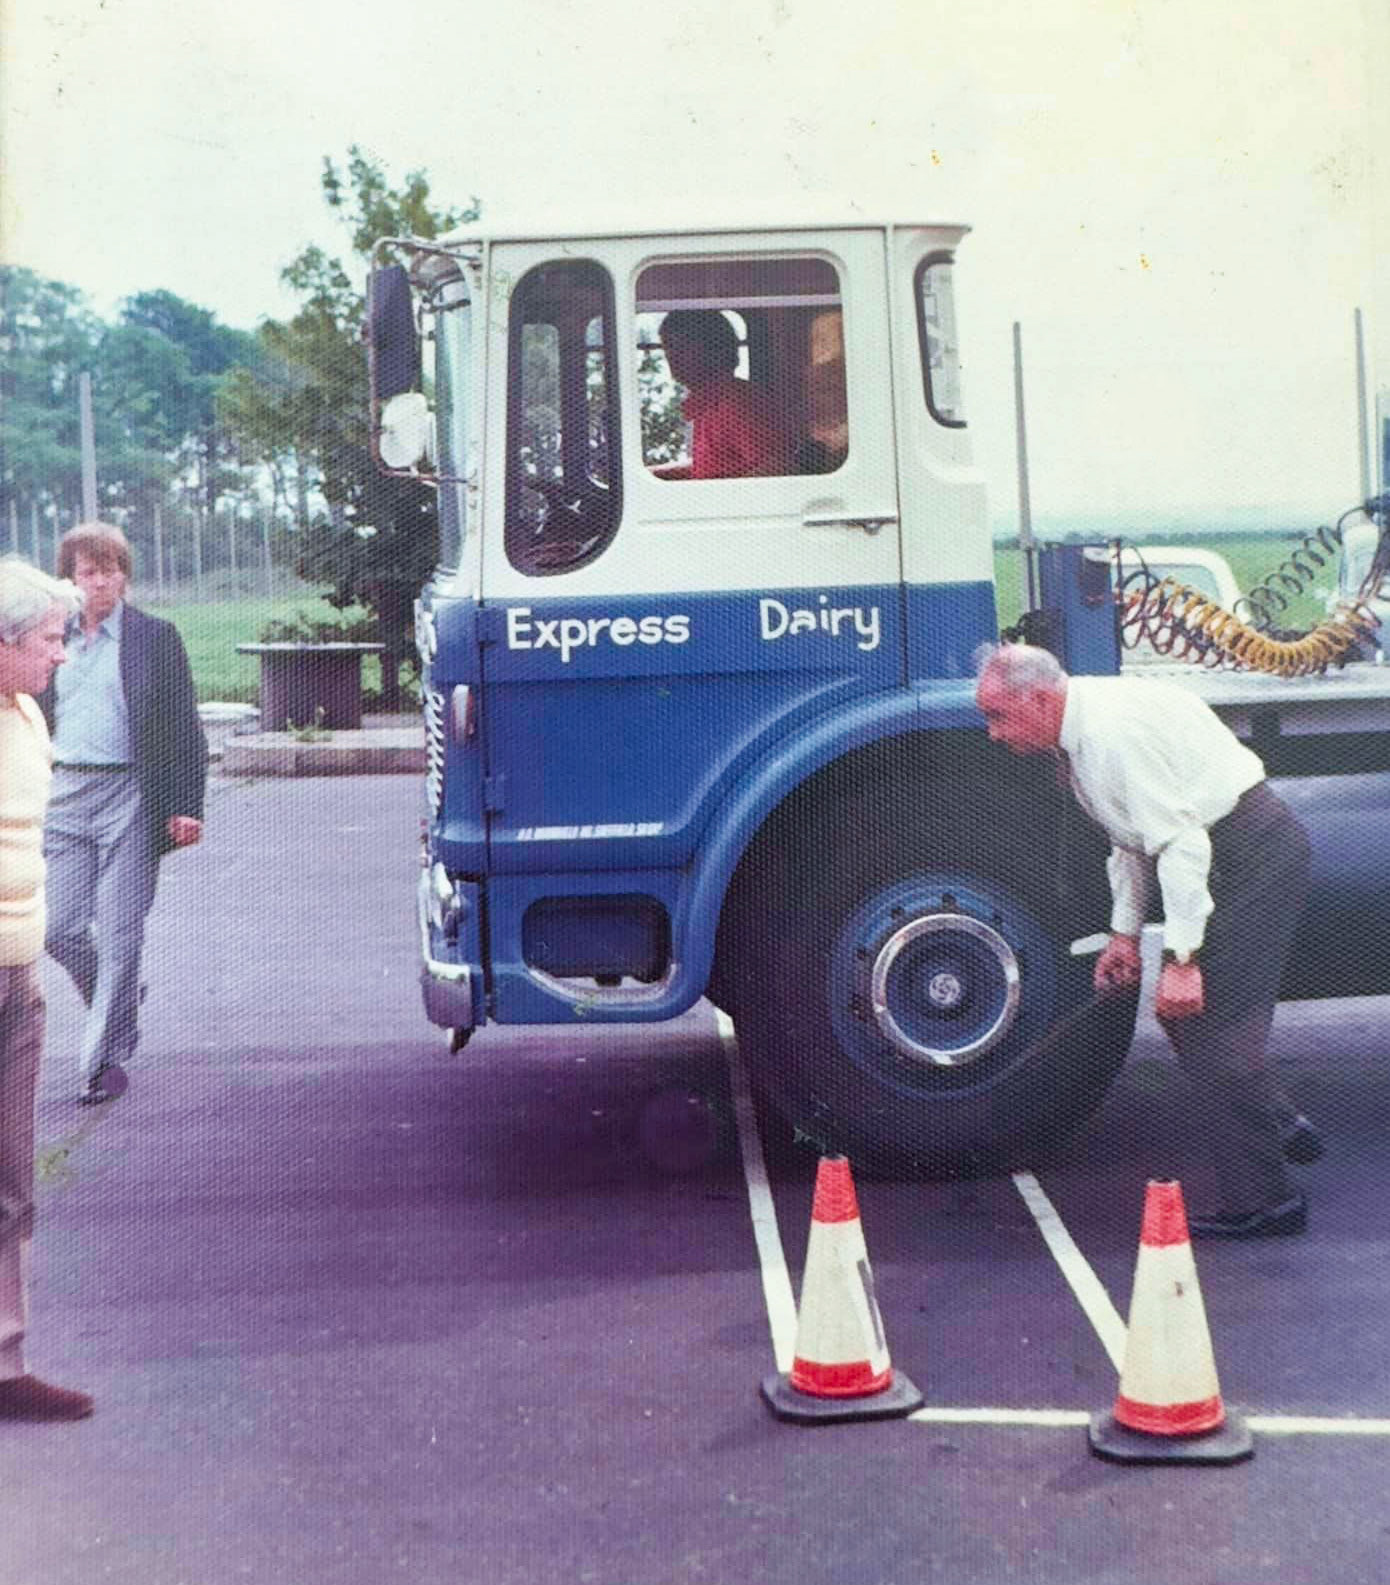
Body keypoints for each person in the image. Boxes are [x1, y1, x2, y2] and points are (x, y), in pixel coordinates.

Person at [974, 641, 1316, 1238]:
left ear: (1040, 698)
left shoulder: (1110, 737)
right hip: (1219, 853)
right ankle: (1279, 1123)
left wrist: (1181, 960)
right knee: (1185, 1020)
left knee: (1210, 1025)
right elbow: (1129, 841)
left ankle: (1268, 1202)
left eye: (998, 716)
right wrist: (1124, 937)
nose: (993, 736)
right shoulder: (1078, 740)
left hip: (1252, 853)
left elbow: (1182, 844)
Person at [37, 523, 208, 1105]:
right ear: (69, 579)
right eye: (89, 571)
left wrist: (187, 805)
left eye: (112, 569)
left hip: (132, 798)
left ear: (125, 575)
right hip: (61, 797)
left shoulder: (153, 637)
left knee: (119, 934)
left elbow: (186, 727)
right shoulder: (48, 641)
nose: (103, 581)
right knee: (57, 928)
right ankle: (120, 999)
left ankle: (102, 1062)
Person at [0, 557, 94, 1420]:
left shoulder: (28, 715)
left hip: (15, 974)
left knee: (10, 1175)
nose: (60, 654)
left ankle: (5, 1362)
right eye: (47, 640)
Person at [656, 310, 789, 480]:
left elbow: (780, 466)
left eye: (682, 346)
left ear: (714, 349)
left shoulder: (737, 401)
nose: (671, 356)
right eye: (668, 347)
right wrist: (652, 475)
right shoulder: (709, 402)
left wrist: (720, 500)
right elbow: (714, 467)